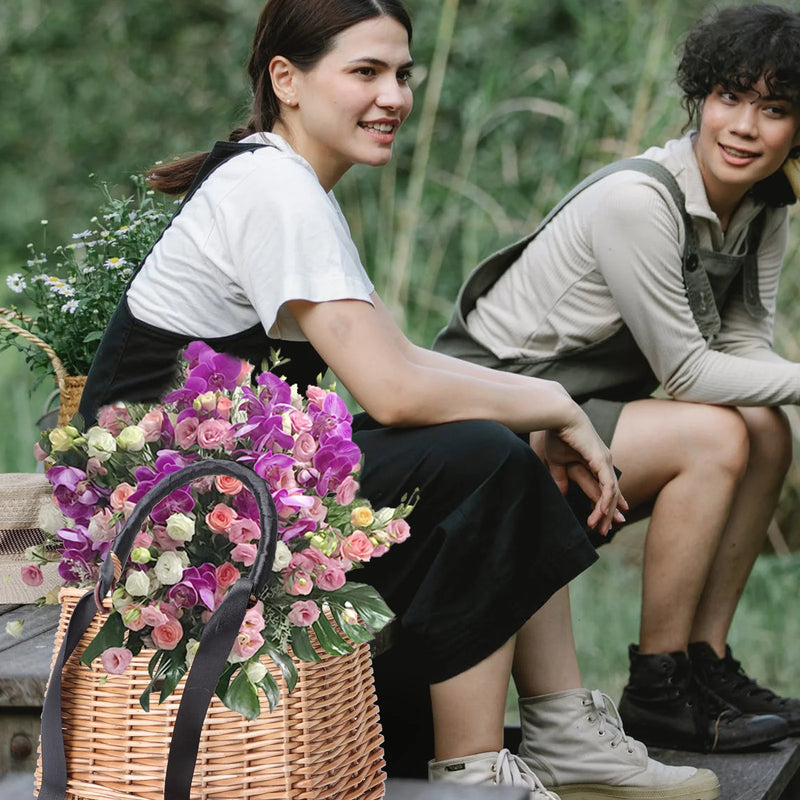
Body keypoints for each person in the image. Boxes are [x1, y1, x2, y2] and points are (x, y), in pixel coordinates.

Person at [78, 1, 719, 797]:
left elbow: (395, 359)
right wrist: (556, 409)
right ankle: (479, 771)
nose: (394, 97)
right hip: (175, 527)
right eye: (365, 72)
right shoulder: (275, 190)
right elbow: (393, 390)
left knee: (489, 443)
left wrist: (548, 402)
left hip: (227, 497)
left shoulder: (282, 178)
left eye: (403, 74)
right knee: (484, 457)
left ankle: (558, 732)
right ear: (288, 81)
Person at [435, 2, 800, 756]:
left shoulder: (765, 207)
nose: (743, 127)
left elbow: (743, 342)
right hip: (496, 409)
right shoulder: (640, 200)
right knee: (713, 433)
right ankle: (658, 687)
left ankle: (707, 662)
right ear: (699, 97)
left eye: (774, 110)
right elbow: (689, 372)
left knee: (768, 427)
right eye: (729, 98)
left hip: (575, 407)